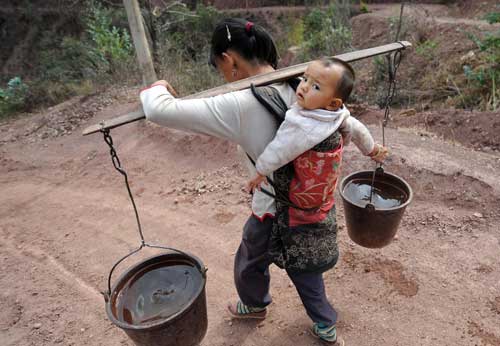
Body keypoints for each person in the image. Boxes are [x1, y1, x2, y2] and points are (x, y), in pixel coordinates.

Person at [139, 18, 354, 345]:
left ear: (228, 59)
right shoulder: (302, 83)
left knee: (265, 258)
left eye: (218, 65)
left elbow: (158, 111)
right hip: (310, 198)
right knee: (288, 262)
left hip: (273, 204)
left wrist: (157, 84)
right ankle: (312, 318)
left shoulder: (238, 103)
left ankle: (270, 308)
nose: (221, 73)